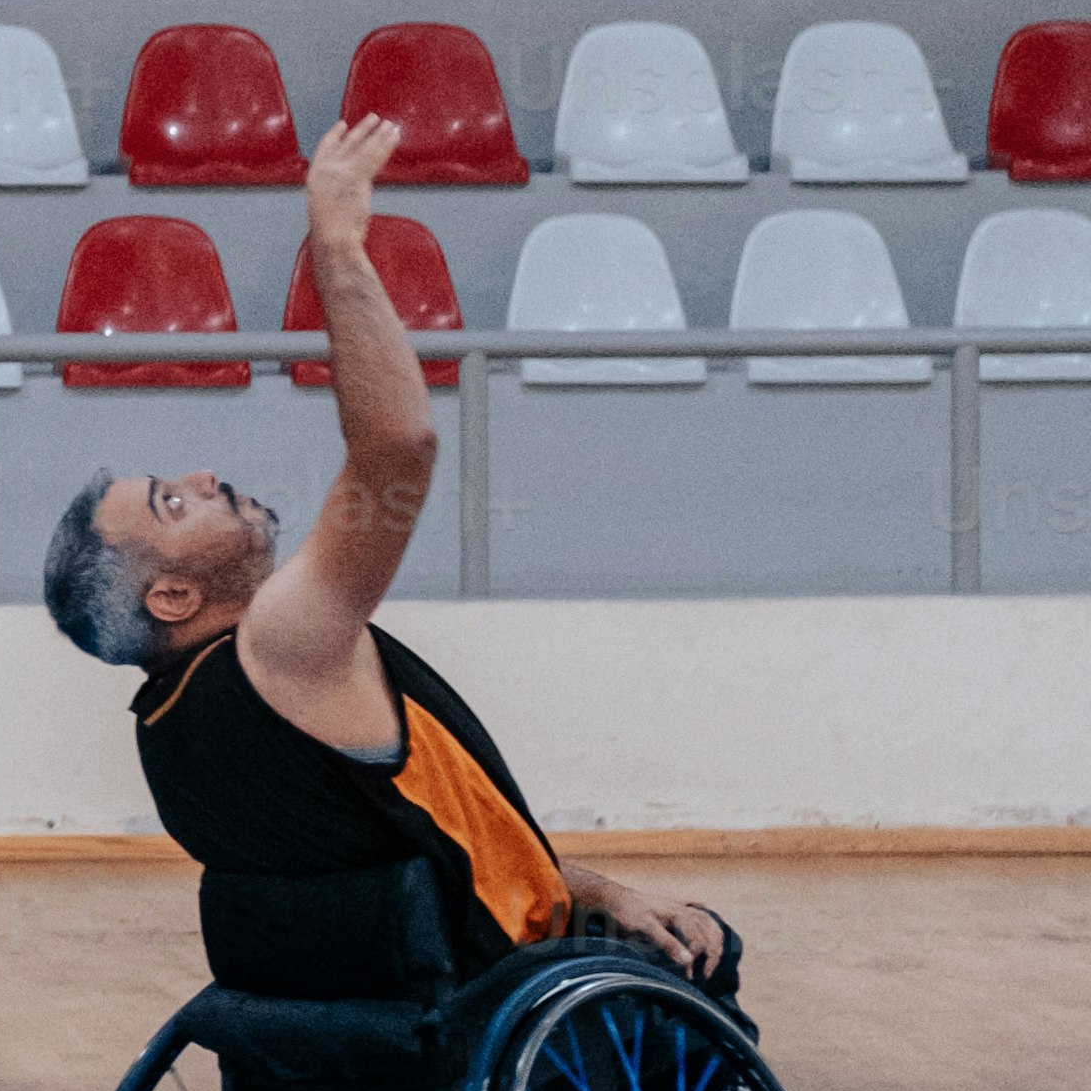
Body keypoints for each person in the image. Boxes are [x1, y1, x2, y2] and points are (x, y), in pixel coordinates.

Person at [40, 111, 735, 995]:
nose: (205, 473)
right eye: (170, 502)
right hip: (497, 1002)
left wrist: (602, 891)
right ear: (172, 597)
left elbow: (418, 853)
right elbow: (398, 449)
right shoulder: (283, 647)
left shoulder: (168, 728)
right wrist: (336, 246)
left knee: (642, 924)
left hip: (335, 1039)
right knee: (708, 955)